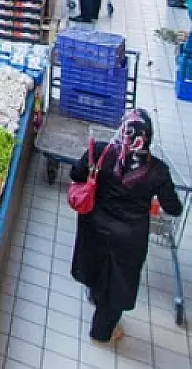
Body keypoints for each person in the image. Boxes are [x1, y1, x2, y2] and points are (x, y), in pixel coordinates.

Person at [71, 109, 182, 343]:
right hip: (129, 238)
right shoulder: (158, 171)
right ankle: (101, 334)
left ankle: (94, 295)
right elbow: (173, 208)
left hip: (95, 225)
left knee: (95, 263)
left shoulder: (101, 152)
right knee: (117, 285)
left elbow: (76, 173)